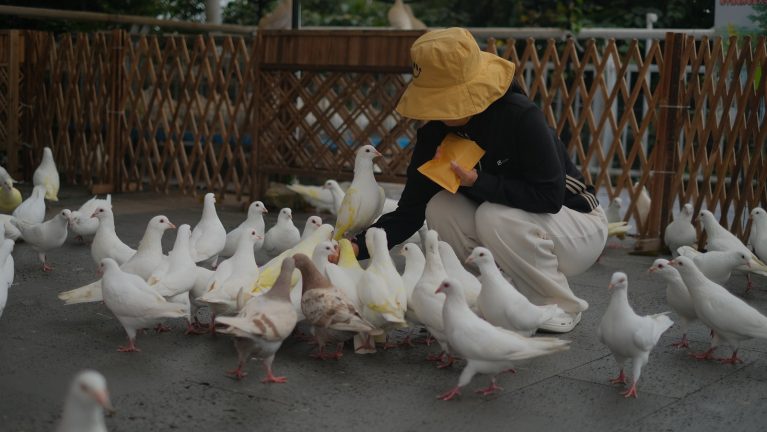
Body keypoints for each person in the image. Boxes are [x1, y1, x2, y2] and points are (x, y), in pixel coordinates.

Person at [351, 27, 607, 333]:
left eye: (442, 99)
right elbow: (410, 212)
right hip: (514, 225)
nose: (436, 110)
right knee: (440, 207)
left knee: (493, 215)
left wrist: (478, 182)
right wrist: (356, 246)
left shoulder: (519, 117)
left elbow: (550, 197)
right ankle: (492, 296)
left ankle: (556, 304)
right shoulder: (435, 133)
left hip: (576, 225)